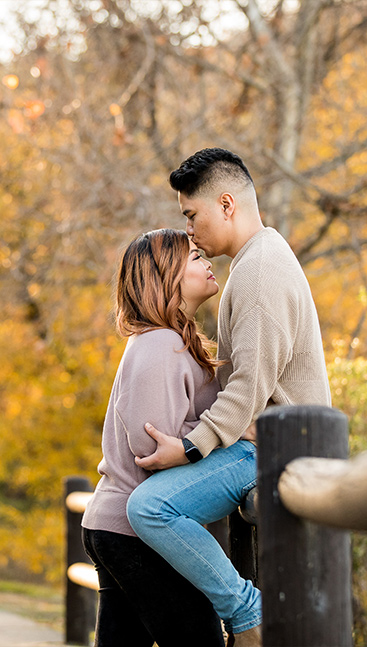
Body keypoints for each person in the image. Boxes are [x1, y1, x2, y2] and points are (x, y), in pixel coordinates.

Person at [126, 148, 332, 647]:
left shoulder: (261, 270)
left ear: (226, 203)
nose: (189, 231)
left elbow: (249, 387)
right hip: (262, 443)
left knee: (149, 508)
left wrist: (192, 447)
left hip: (274, 449)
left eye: (191, 216)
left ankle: (247, 614)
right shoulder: (254, 261)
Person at [80, 228, 227, 647]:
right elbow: (152, 447)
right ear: (166, 276)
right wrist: (228, 434)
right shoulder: (161, 344)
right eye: (195, 257)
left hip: (121, 527)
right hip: (134, 531)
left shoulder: (170, 341)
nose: (208, 262)